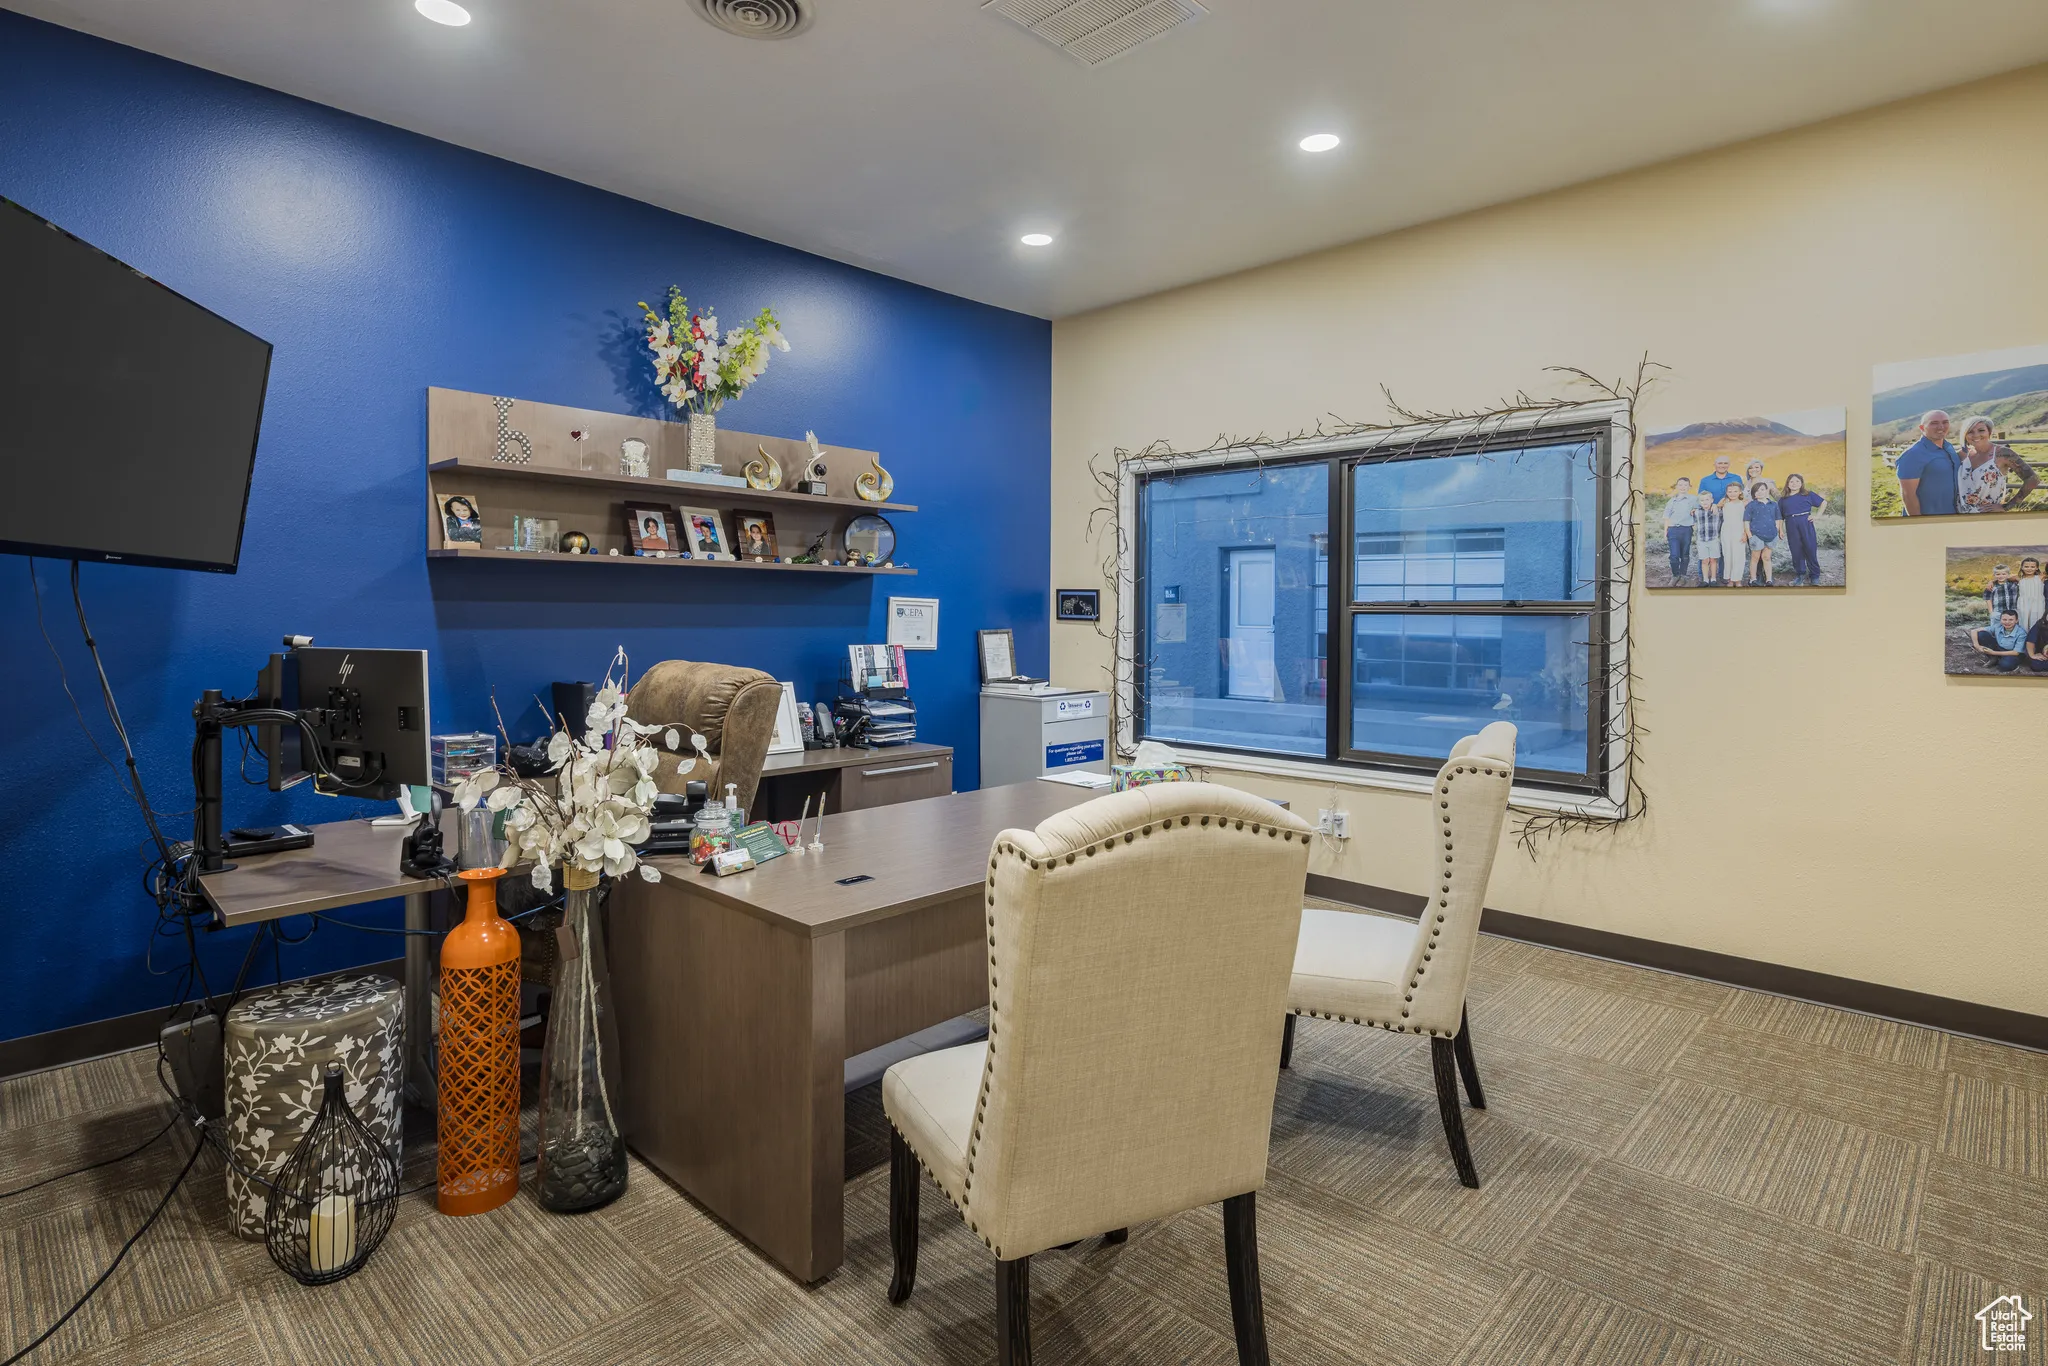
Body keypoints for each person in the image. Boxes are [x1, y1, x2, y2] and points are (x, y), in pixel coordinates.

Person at [1956, 416, 2040, 513]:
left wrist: (2007, 506)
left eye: (1981, 430)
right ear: (1965, 435)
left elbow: (2033, 479)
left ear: (1989, 432)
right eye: (1970, 431)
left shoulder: (2003, 454)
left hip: (1988, 515)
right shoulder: (1960, 455)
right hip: (1960, 514)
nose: (1976, 435)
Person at [1893, 409, 1961, 516]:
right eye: (1934, 423)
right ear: (1922, 428)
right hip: (1929, 518)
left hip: (1953, 514)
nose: (1941, 427)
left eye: (1945, 422)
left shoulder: (1949, 448)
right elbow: (1908, 496)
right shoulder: (1912, 455)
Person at [1777, 473, 1824, 585]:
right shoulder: (1783, 499)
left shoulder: (1808, 494)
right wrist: (1781, 529)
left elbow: (1823, 503)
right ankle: (1800, 575)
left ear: (1801, 483)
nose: (1794, 484)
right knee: (1796, 550)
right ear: (1787, 484)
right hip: (1791, 524)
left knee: (1810, 548)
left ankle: (1815, 576)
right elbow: (1780, 517)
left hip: (1805, 523)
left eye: (1797, 481)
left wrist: (1817, 516)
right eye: (1791, 481)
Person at [1743, 479, 1781, 586]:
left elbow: (1777, 519)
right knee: (1755, 558)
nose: (1760, 492)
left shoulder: (1773, 504)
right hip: (1756, 535)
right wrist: (1750, 536)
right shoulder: (1751, 505)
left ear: (1767, 491)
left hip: (1771, 535)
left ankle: (1769, 580)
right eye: (1757, 491)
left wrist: (1776, 530)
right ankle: (1753, 579)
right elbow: (1746, 521)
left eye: (1762, 489)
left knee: (1767, 557)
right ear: (1754, 494)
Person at [1662, 477, 1697, 582]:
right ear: (1677, 486)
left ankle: (1683, 575)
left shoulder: (1694, 499)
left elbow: (1702, 508)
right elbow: (1667, 518)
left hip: (1686, 530)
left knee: (1685, 554)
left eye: (1685, 485)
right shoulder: (1671, 501)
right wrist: (1665, 532)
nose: (1683, 487)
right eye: (1680, 485)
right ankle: (1675, 575)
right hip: (1673, 530)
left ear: (1689, 487)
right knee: (1674, 555)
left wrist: (1695, 509)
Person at [1718, 479, 1749, 586]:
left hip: (1739, 531)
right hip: (1726, 532)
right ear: (1726, 492)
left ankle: (1738, 579)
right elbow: (1713, 508)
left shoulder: (1744, 503)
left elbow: (1747, 520)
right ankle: (1730, 579)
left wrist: (1745, 533)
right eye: (1730, 491)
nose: (1732, 494)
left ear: (1740, 492)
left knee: (1739, 556)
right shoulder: (1724, 503)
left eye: (1735, 491)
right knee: (1728, 556)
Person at [1692, 491, 1723, 587]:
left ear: (1712, 500)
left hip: (1714, 539)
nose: (1705, 502)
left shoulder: (1717, 511)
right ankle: (1705, 580)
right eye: (1702, 500)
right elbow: (1693, 521)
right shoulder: (1696, 512)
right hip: (1701, 540)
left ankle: (1713, 579)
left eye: (1707, 500)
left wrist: (1716, 506)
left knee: (1713, 560)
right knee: (1705, 561)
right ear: (1699, 502)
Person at [2017, 557, 2047, 636]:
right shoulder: (2019, 578)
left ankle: (2036, 644)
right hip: (2024, 605)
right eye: (2026, 566)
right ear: (2022, 567)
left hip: (2038, 604)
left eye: (2032, 567)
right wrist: (1991, 581)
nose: (2029, 569)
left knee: (2037, 623)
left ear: (2037, 568)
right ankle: (2023, 643)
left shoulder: (2041, 577)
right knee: (2024, 623)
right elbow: (2004, 577)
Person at [2027, 610, 2048, 674]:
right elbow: (2030, 641)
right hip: (2043, 655)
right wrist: (2032, 655)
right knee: (2036, 665)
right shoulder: (2040, 624)